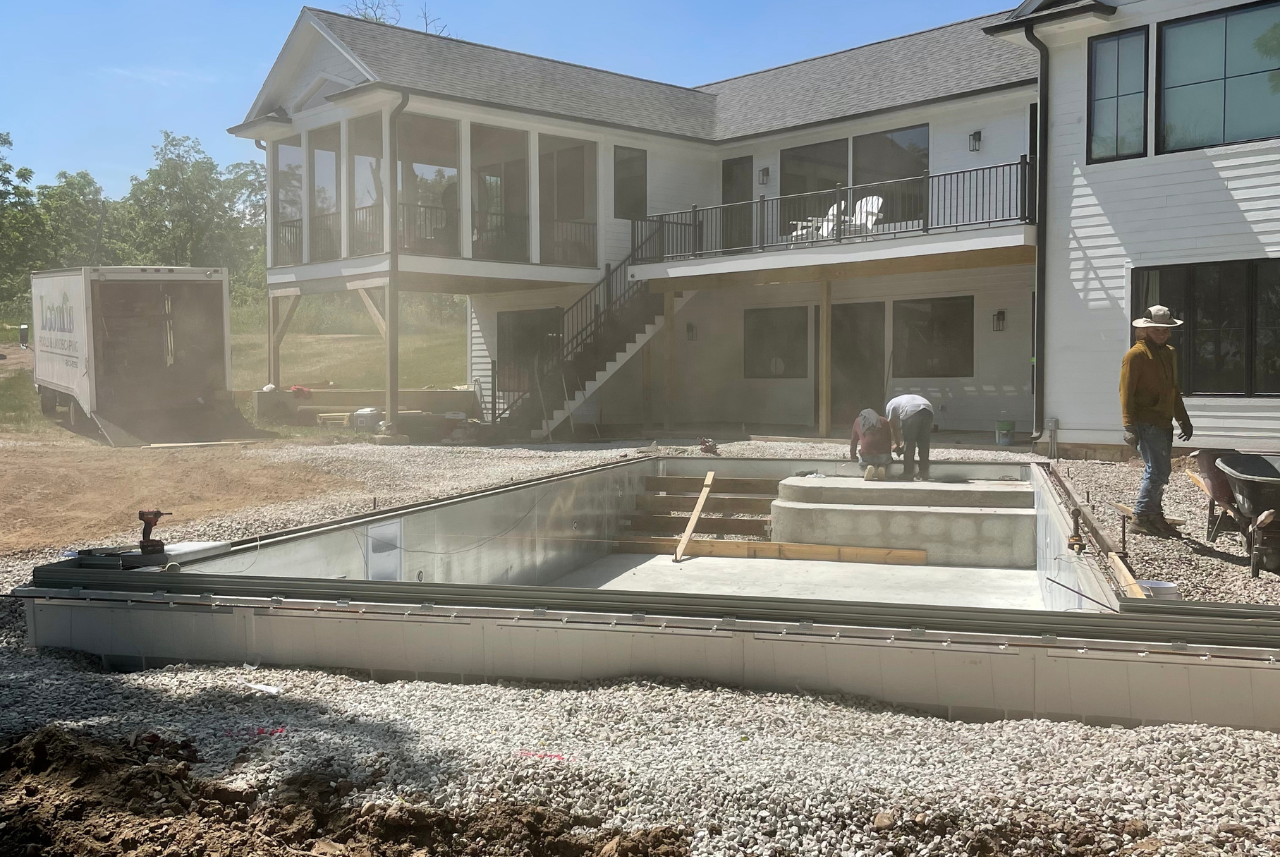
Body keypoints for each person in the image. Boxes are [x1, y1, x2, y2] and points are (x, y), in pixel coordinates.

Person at [1121, 304, 1193, 537]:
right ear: (1145, 330)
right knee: (1157, 472)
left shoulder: (1168, 353)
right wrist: (1129, 425)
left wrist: (1183, 419)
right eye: (1157, 330)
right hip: (1146, 421)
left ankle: (1154, 516)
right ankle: (1141, 516)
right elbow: (1126, 391)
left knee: (1162, 471)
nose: (1162, 334)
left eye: (1166, 329)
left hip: (1163, 420)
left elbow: (1173, 389)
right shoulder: (1136, 355)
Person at [885, 393, 934, 481]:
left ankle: (908, 473)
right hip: (928, 409)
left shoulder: (889, 406)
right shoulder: (900, 401)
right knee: (923, 443)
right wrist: (901, 443)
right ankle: (924, 472)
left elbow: (894, 428)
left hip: (911, 410)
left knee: (910, 444)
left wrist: (898, 444)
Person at [851, 408, 892, 480]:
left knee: (864, 461)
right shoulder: (884, 421)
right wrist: (888, 454)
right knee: (885, 461)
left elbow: (854, 441)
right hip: (883, 454)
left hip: (867, 454)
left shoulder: (858, 421)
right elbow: (889, 439)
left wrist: (853, 456)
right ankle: (882, 468)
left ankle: (867, 467)